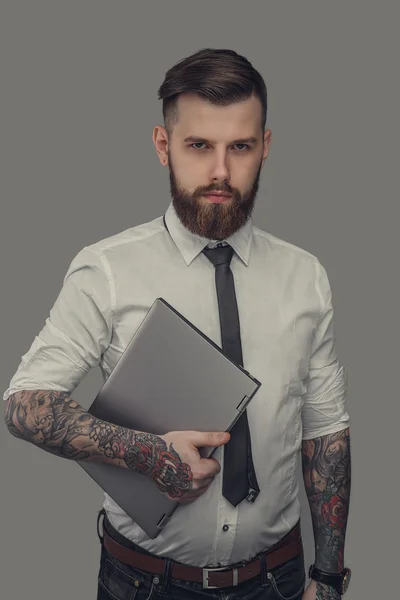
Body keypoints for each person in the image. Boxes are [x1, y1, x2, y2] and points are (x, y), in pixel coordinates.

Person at [4, 48, 352, 600]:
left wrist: (329, 576)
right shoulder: (108, 270)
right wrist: (148, 453)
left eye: (239, 146)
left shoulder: (306, 276)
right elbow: (23, 404)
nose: (220, 171)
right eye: (199, 146)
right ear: (163, 147)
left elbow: (325, 431)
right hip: (144, 584)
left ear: (265, 147)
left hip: (279, 582)